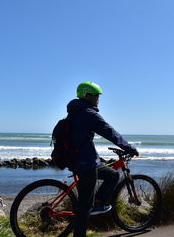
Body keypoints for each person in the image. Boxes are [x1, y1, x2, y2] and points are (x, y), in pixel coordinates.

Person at [67, 81, 139, 237]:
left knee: (112, 174)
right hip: (84, 163)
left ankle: (98, 203)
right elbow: (109, 132)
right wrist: (129, 147)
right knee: (84, 206)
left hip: (78, 159)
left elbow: (81, 138)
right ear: (88, 96)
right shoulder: (88, 114)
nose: (98, 99)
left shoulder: (75, 111)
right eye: (96, 96)